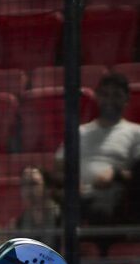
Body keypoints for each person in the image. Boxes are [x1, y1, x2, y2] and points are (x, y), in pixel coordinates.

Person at [56, 73, 140, 237]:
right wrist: (72, 182)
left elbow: (138, 175)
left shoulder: (136, 132)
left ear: (126, 99)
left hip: (118, 204)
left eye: (116, 95)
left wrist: (115, 174)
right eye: (105, 94)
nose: (110, 100)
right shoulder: (80, 132)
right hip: (79, 200)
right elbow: (59, 166)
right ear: (97, 97)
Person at [15, 165, 62, 246]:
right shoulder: (20, 223)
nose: (28, 189)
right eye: (24, 184)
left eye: (34, 184)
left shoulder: (60, 217)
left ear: (47, 188)